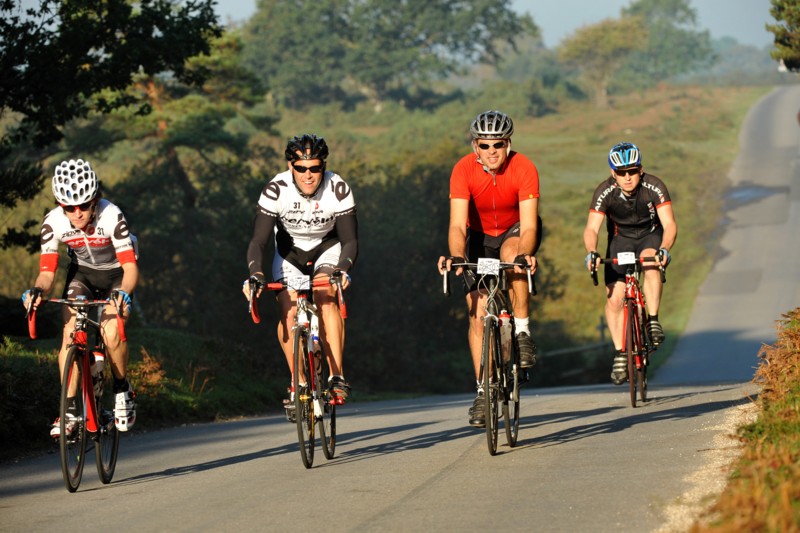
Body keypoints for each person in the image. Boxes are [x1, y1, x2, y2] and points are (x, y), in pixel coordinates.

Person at [438, 110, 541, 428]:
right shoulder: (462, 170)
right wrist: (456, 256)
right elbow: (457, 225)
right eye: (484, 145)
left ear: (508, 144)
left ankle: (522, 332)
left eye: (498, 144)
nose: (491, 151)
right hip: (480, 240)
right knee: (479, 309)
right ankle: (483, 390)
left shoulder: (524, 167)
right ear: (474, 146)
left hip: (515, 231)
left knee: (513, 255)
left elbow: (529, 226)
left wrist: (525, 254)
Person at [22, 159, 139, 436]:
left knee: (111, 332)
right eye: (69, 208)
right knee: (69, 334)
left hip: (116, 276)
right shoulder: (53, 222)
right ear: (60, 206)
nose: (77, 214)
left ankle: (123, 389)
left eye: (84, 206)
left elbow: (131, 268)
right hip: (82, 275)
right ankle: (70, 409)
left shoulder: (112, 215)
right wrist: (38, 291)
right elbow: (47, 274)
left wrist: (123, 294)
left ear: (95, 200)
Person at [245, 134, 357, 420]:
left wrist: (342, 269)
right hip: (289, 255)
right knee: (288, 310)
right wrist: (255, 275)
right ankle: (299, 382)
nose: (309, 175)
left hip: (327, 250)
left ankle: (335, 376)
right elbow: (258, 241)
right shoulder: (275, 190)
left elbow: (350, 240)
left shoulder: (338, 188)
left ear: (324, 167)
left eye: (315, 168)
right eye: (302, 168)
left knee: (326, 298)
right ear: (290, 166)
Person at [583, 142, 677, 385]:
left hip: (650, 235)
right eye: (622, 172)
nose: (627, 177)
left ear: (641, 170)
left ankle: (653, 321)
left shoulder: (654, 186)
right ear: (613, 173)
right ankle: (619, 353)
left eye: (632, 171)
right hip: (620, 241)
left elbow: (669, 224)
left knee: (650, 262)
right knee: (614, 298)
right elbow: (592, 228)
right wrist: (591, 252)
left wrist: (664, 248)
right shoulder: (605, 191)